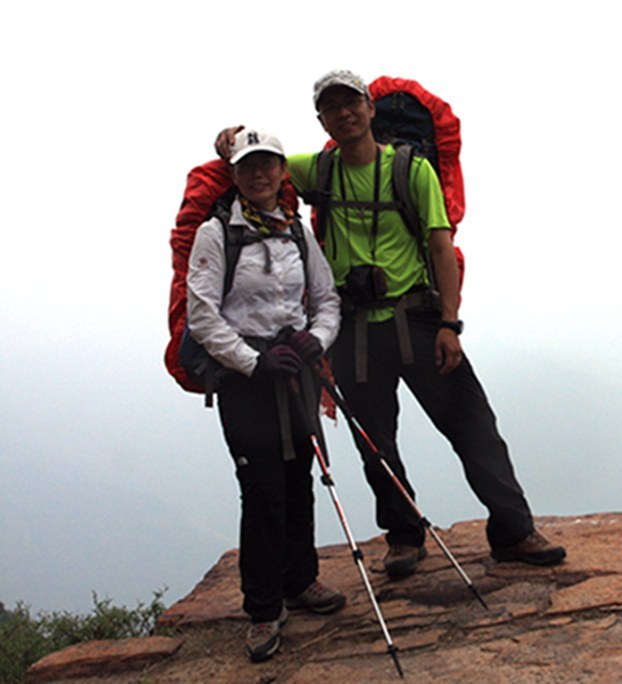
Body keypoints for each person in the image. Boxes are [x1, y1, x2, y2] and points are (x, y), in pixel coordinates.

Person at [215, 70, 566, 580]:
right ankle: (403, 537)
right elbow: (255, 168)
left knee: (473, 427)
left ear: (370, 108)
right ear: (322, 120)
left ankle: (513, 530)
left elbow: (440, 244)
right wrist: (229, 139)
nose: (344, 114)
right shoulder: (316, 169)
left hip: (418, 320)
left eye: (351, 103)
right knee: (375, 442)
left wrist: (451, 322)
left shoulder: (410, 169)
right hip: (353, 330)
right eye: (332, 108)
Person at [186, 129, 345, 662]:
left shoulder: (296, 231)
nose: (260, 175)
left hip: (295, 370)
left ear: (282, 171)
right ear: (234, 175)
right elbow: (202, 316)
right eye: (248, 167)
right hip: (245, 380)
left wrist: (314, 340)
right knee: (261, 487)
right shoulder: (217, 234)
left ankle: (301, 582)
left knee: (301, 474)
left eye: (269, 165)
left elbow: (326, 299)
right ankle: (262, 608)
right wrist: (254, 362)